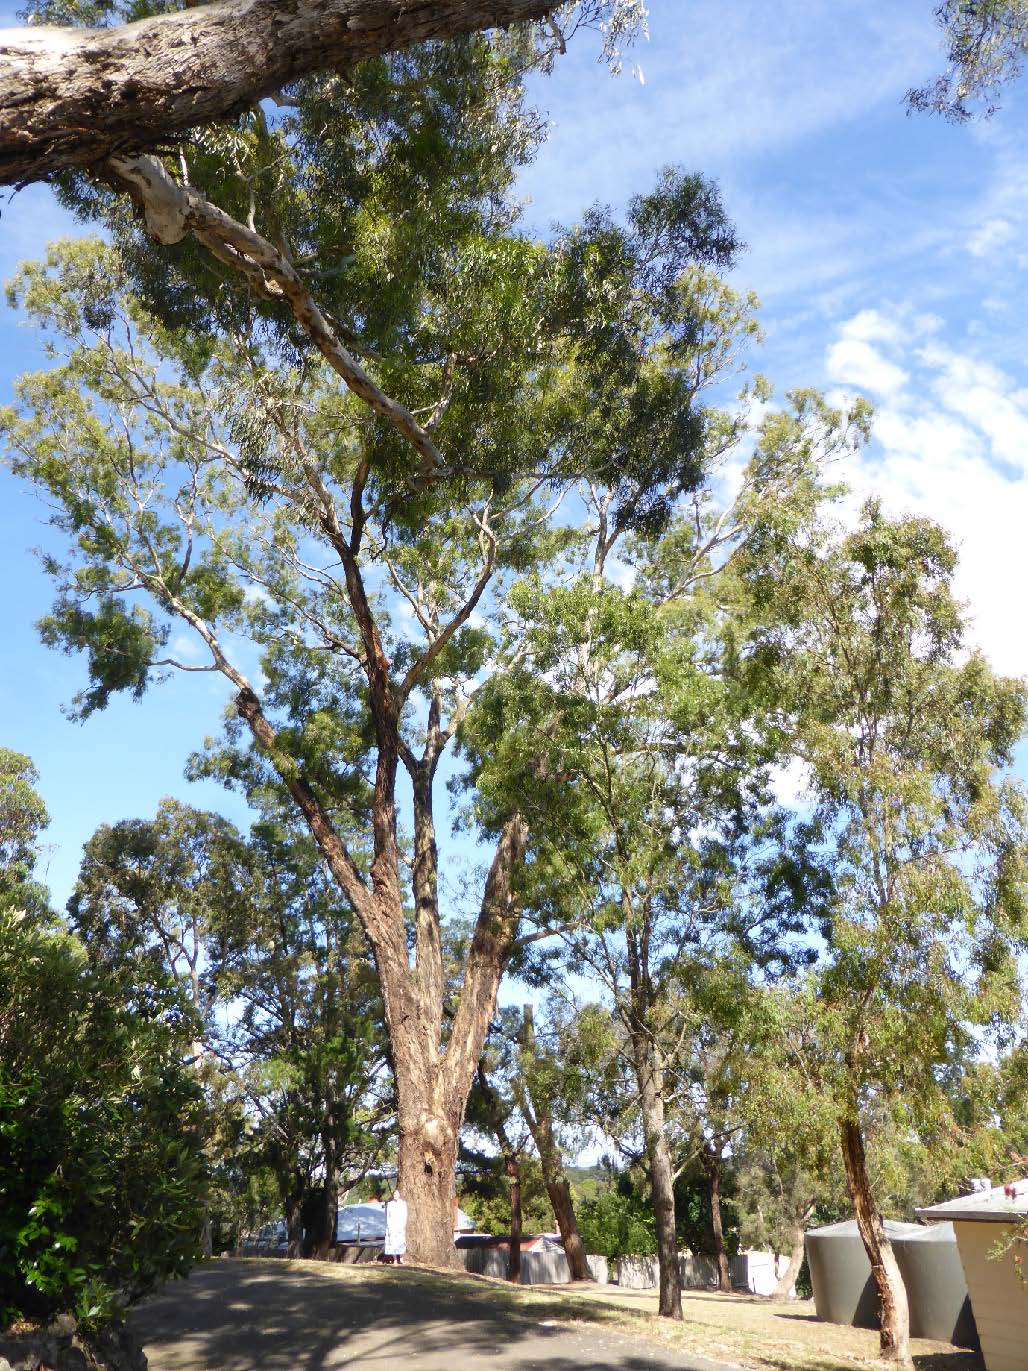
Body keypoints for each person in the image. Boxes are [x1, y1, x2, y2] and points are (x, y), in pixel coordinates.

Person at [383, 1186, 408, 1265]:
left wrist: (403, 1225)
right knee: (393, 1242)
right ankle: (395, 1259)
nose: (395, 1195)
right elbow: (388, 1216)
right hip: (392, 1225)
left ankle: (401, 1258)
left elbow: (405, 1215)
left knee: (401, 1241)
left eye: (397, 1194)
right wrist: (389, 1225)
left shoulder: (403, 1203)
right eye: (394, 1194)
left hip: (400, 1225)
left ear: (399, 1195)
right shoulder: (390, 1204)